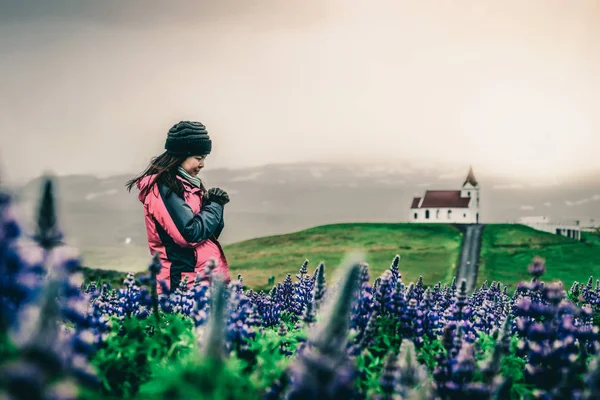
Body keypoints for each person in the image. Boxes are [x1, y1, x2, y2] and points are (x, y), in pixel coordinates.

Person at [125, 120, 231, 293]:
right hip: (182, 284)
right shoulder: (163, 189)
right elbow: (189, 235)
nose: (202, 164)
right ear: (181, 155)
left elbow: (209, 236)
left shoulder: (189, 186)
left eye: (204, 158)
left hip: (202, 280)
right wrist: (214, 206)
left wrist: (216, 204)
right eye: (198, 158)